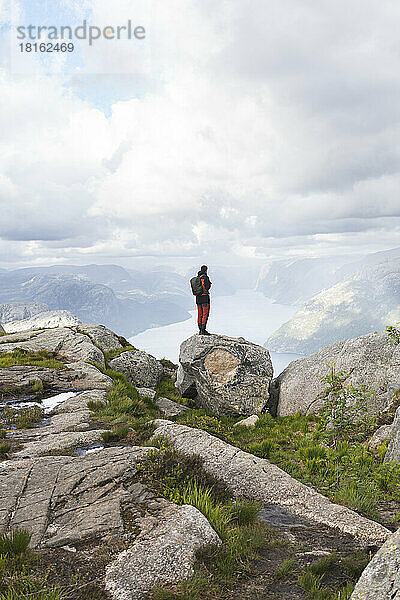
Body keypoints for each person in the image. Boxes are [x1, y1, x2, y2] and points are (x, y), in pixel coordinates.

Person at [195, 265, 212, 335]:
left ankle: (200, 329)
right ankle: (203, 330)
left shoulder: (197, 278)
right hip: (205, 298)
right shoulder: (205, 277)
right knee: (205, 313)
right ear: (206, 270)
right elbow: (207, 287)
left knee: (200, 313)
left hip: (198, 298)